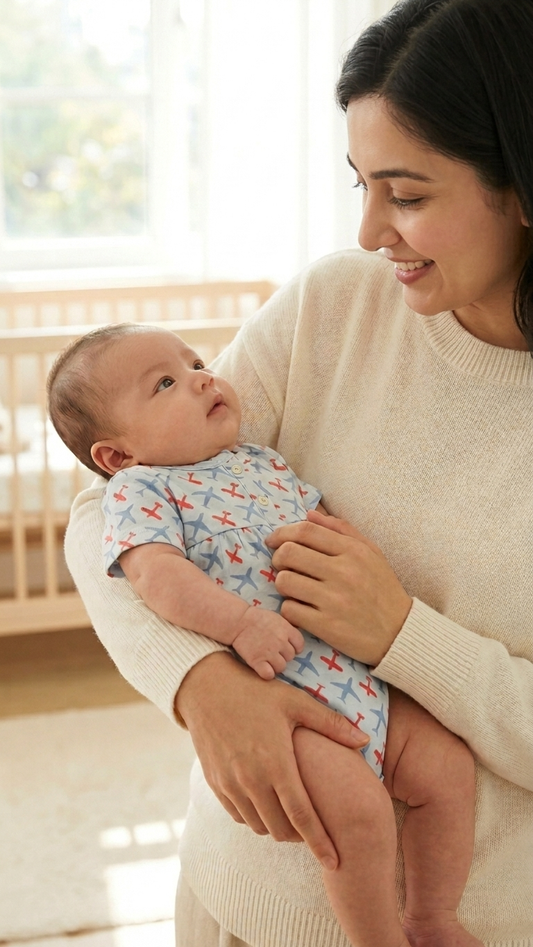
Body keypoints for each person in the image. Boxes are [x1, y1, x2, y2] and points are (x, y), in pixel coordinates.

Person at [62, 0, 533, 944]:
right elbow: (107, 509)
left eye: (404, 194)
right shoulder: (335, 304)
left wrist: (403, 635)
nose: (367, 232)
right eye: (357, 184)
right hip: (241, 902)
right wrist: (203, 681)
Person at [47, 323, 478, 947]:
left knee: (447, 768)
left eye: (195, 362)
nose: (201, 375)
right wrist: (240, 624)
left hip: (362, 677)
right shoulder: (141, 491)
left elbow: (324, 523)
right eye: (166, 383)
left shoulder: (260, 460)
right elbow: (155, 578)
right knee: (356, 815)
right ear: (116, 456)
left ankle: (432, 916)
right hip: (285, 695)